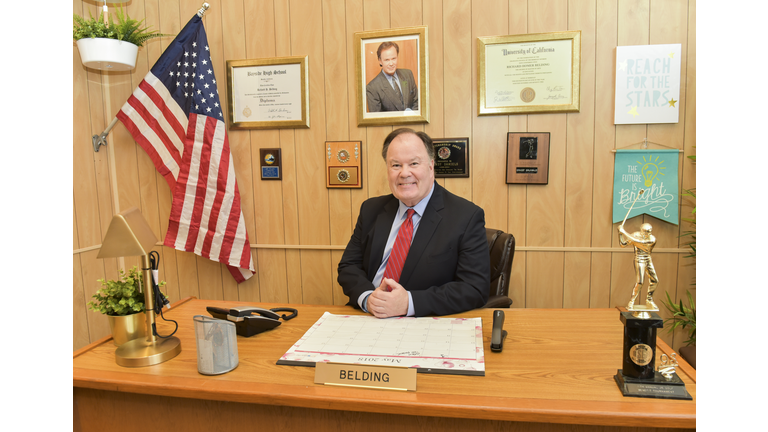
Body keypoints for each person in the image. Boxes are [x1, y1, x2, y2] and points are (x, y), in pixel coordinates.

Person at [338, 128, 490, 317]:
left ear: (431, 166)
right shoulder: (371, 209)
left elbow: (474, 288)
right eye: (395, 165)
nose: (404, 173)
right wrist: (368, 298)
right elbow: (348, 267)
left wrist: (408, 303)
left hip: (425, 323)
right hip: (368, 316)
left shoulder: (466, 216)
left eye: (414, 163)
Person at [366, 42, 419, 112]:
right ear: (380, 61)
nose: (391, 63)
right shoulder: (372, 87)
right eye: (387, 60)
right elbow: (377, 120)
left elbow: (417, 102)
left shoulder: (408, 74)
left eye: (393, 58)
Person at [618, 222, 659, 310]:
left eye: (649, 232)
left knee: (655, 280)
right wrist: (620, 234)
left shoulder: (652, 239)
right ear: (641, 231)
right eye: (645, 232)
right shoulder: (635, 235)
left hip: (648, 259)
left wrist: (624, 232)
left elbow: (640, 242)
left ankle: (649, 299)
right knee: (640, 282)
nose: (647, 234)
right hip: (639, 259)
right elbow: (622, 244)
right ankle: (632, 301)